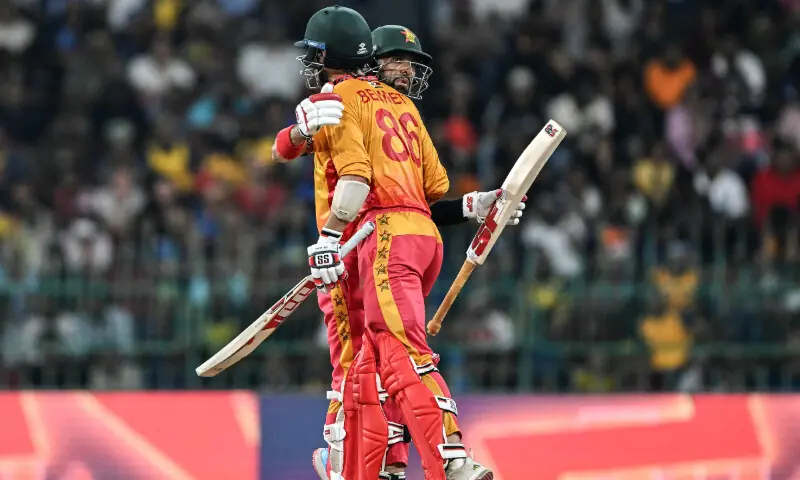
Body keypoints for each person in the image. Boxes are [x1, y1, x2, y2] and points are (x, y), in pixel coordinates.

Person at [272, 10, 512, 479]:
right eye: (396, 60)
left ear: (326, 56)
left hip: (368, 240)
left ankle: (445, 456)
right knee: (373, 363)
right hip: (410, 238)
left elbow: (357, 180)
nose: (404, 71)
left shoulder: (338, 96)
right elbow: (433, 189)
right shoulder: (403, 107)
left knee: (387, 354)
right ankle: (384, 464)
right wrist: (298, 132)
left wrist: (328, 237)